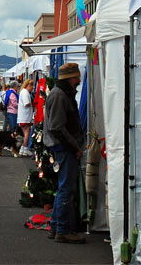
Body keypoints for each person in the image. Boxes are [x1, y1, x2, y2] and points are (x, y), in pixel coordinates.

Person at [44, 63, 86, 244]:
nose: (78, 81)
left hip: (61, 147)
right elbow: (57, 127)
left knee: (64, 189)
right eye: (76, 78)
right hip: (63, 148)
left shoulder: (59, 93)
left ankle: (56, 226)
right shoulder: (61, 96)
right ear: (69, 78)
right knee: (66, 190)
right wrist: (75, 145)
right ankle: (62, 229)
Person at [17, 79, 35, 157]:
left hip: (24, 116)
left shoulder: (23, 92)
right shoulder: (25, 92)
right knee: (27, 133)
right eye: (31, 86)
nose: (32, 88)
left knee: (25, 133)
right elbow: (26, 103)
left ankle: (23, 149)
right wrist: (33, 103)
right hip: (25, 116)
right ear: (28, 85)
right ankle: (25, 148)